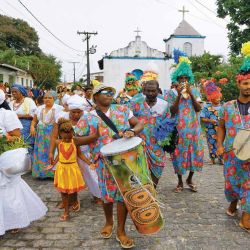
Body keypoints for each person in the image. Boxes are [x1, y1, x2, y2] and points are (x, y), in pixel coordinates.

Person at [75, 84, 143, 249]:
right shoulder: (87, 117)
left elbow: (139, 124)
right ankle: (108, 221)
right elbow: (76, 140)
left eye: (111, 93)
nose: (110, 95)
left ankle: (121, 231)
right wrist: (94, 136)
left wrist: (133, 132)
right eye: (105, 93)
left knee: (122, 194)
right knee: (106, 194)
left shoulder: (122, 110)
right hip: (103, 162)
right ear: (96, 97)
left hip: (125, 159)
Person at [0, 89, 47, 235]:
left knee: (8, 191)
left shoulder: (6, 115)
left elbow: (17, 137)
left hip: (3, 157)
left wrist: (3, 137)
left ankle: (14, 220)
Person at [217, 41, 250, 231]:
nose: (248, 87)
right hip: (231, 152)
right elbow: (220, 127)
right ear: (239, 83)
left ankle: (246, 215)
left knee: (249, 183)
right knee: (231, 184)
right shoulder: (228, 106)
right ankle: (232, 202)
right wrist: (220, 145)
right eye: (245, 83)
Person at [50, 94, 102, 208]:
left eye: (79, 112)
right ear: (69, 110)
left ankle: (98, 195)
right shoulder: (61, 117)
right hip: (64, 152)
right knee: (66, 176)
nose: (76, 114)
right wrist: (51, 153)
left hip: (83, 150)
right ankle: (69, 199)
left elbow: (94, 136)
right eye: (73, 112)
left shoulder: (88, 118)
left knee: (91, 174)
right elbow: (54, 137)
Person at [167, 50, 204, 193]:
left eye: (185, 78)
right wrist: (179, 95)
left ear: (189, 78)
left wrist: (190, 94)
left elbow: (198, 108)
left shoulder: (194, 90)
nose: (183, 81)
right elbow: (172, 111)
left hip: (194, 129)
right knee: (178, 155)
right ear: (177, 79)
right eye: (181, 79)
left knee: (196, 153)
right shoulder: (172, 92)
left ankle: (190, 178)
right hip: (179, 130)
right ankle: (180, 181)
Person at [47, 118, 88, 221]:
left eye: (69, 138)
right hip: (62, 169)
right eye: (64, 138)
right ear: (60, 135)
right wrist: (52, 165)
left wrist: (90, 163)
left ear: (73, 133)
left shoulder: (75, 142)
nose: (66, 140)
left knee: (72, 189)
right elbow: (59, 155)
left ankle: (74, 201)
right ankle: (66, 211)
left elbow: (80, 154)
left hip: (73, 168)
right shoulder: (59, 143)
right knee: (64, 192)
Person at [130, 80, 169, 188]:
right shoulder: (135, 104)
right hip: (139, 144)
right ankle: (143, 195)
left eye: (153, 91)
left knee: (158, 167)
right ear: (144, 91)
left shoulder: (164, 105)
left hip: (158, 145)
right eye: (148, 91)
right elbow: (128, 120)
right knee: (140, 171)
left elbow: (169, 122)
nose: (151, 93)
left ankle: (152, 191)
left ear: (158, 91)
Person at [30, 91, 63, 178]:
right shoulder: (39, 108)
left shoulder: (59, 108)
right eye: (45, 98)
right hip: (41, 134)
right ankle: (42, 173)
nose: (47, 99)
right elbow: (34, 120)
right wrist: (32, 127)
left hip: (53, 133)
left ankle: (53, 173)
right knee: (41, 152)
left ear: (54, 99)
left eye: (50, 98)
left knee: (52, 152)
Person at [9, 84, 37, 158]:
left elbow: (34, 115)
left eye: (15, 92)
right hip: (14, 129)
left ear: (21, 92)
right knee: (16, 148)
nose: (14, 93)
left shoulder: (29, 101)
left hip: (27, 128)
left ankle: (29, 166)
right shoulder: (11, 103)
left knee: (28, 148)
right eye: (12, 92)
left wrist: (19, 116)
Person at [200, 81, 223, 164]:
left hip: (221, 129)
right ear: (211, 98)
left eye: (219, 97)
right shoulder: (207, 107)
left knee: (221, 142)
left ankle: (221, 159)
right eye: (216, 98)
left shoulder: (222, 107)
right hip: (210, 130)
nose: (218, 99)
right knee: (211, 144)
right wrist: (210, 120)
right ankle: (212, 159)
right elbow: (202, 118)